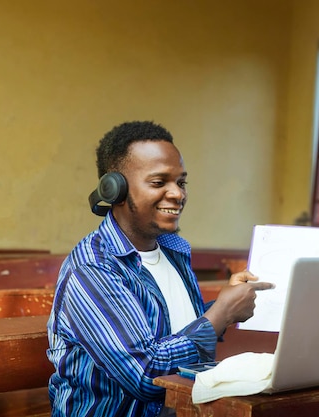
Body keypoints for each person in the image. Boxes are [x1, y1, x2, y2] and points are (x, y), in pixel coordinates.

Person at [46, 120, 274, 417]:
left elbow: (170, 332)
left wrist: (226, 303)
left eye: (180, 182)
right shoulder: (93, 269)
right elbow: (148, 375)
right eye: (159, 182)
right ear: (115, 190)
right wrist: (220, 314)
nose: (177, 194)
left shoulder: (173, 250)